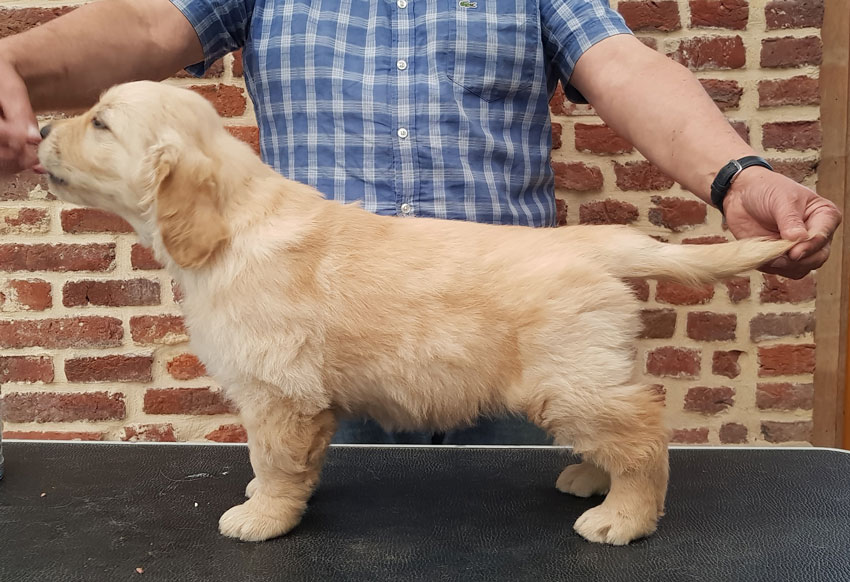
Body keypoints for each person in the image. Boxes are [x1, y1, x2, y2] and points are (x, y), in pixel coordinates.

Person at [0, 0, 840, 445]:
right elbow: (147, 23)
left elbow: (620, 62)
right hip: (327, 353)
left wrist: (738, 174)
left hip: (508, 342)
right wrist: (9, 61)